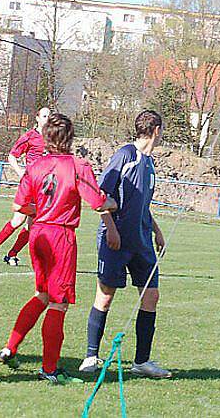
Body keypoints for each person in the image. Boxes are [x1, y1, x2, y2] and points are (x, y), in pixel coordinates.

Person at [0, 113, 117, 384]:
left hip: (37, 233)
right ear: (70, 138)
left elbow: (18, 206)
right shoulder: (77, 166)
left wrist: (40, 211)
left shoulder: (35, 167)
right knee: (58, 303)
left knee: (42, 295)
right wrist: (112, 203)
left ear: (46, 137)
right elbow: (97, 202)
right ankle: (49, 369)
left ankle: (10, 347)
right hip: (60, 235)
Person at [79, 110, 171, 379]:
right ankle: (91, 356)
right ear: (156, 130)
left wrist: (157, 231)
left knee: (151, 296)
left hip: (142, 241)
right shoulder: (125, 155)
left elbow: (141, 204)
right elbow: (101, 195)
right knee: (105, 296)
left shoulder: (150, 163)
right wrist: (111, 228)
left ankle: (142, 362)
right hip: (117, 239)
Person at [0, 107, 50, 266]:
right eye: (44, 116)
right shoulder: (29, 136)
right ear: (37, 118)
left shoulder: (53, 138)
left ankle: (12, 254)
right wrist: (21, 173)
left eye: (49, 116)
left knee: (33, 225)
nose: (47, 119)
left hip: (44, 188)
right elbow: (12, 156)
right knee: (18, 219)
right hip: (30, 186)